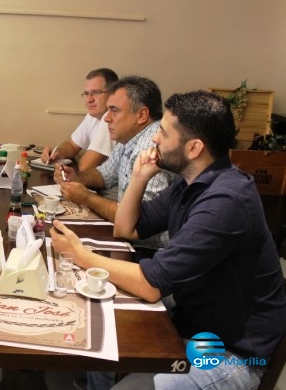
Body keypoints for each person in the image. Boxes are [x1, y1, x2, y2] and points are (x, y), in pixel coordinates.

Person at [51, 90, 286, 390]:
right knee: (102, 332)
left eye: (163, 132)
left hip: (232, 353)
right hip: (192, 321)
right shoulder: (192, 180)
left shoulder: (226, 200)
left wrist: (79, 254)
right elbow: (126, 229)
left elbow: (151, 286)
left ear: (194, 147)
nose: (154, 139)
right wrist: (139, 177)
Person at [55, 76, 175, 254]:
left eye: (114, 111)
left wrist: (86, 197)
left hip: (149, 249)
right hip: (129, 237)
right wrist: (77, 177)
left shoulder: (150, 147)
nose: (106, 119)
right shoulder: (129, 138)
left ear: (142, 115)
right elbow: (105, 174)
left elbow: (139, 220)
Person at [42, 68, 118, 171]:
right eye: (86, 94)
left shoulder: (111, 118)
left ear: (113, 93)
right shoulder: (93, 115)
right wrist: (58, 153)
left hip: (109, 186)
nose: (89, 100)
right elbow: (72, 145)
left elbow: (84, 167)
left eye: (96, 92)